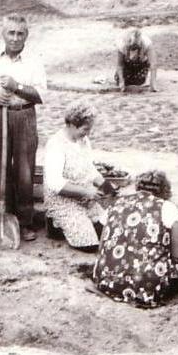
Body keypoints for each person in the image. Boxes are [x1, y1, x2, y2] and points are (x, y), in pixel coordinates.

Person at [0, 14, 47, 242]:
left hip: (24, 115)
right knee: (1, 168)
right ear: (3, 34)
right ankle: (4, 215)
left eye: (20, 33)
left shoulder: (34, 62)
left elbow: (40, 95)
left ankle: (24, 221)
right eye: (11, 33)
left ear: (26, 35)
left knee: (24, 171)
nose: (15, 38)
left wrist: (17, 87)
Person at [92, 170, 178, 307]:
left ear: (138, 187)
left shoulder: (116, 203)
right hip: (146, 287)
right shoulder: (166, 206)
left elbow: (102, 244)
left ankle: (116, 290)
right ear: (165, 191)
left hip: (106, 280)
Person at [43, 101, 112, 252]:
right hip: (63, 202)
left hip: (86, 199)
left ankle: (81, 225)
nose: (88, 133)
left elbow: (89, 169)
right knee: (89, 245)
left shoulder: (83, 140)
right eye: (85, 129)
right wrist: (87, 192)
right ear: (73, 124)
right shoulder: (56, 145)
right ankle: (55, 224)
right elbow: (55, 183)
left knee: (110, 233)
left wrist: (106, 186)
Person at [115, 28, 157, 92]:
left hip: (141, 64)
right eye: (131, 48)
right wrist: (121, 81)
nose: (133, 50)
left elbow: (153, 64)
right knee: (119, 80)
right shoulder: (121, 44)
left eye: (135, 48)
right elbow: (119, 65)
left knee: (139, 81)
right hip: (127, 64)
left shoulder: (147, 43)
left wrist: (153, 83)